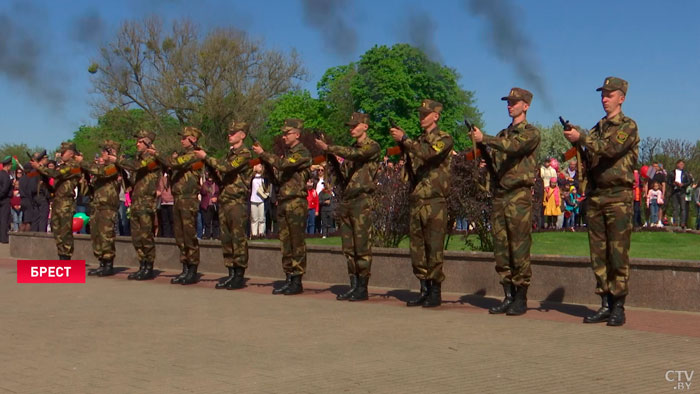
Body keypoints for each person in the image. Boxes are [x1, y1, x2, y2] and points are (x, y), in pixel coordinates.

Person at [564, 76, 639, 326]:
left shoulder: (628, 126)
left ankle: (618, 305)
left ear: (622, 98)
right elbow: (591, 155)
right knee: (598, 254)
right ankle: (604, 303)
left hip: (618, 196)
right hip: (597, 196)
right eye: (602, 94)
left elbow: (610, 150)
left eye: (610, 94)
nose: (604, 98)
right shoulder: (597, 129)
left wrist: (582, 137)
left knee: (617, 253)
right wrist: (577, 141)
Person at [472, 88, 540, 315]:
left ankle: (520, 297)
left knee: (519, 247)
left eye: (514, 102)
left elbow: (515, 147)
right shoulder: (502, 134)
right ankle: (508, 294)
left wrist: (486, 139)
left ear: (526, 105)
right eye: (508, 102)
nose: (509, 105)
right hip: (501, 195)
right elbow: (496, 158)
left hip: (518, 195)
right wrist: (482, 147)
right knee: (501, 248)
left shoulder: (531, 133)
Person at [390, 99, 453, 308]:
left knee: (433, 248)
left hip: (435, 200)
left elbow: (429, 153)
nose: (422, 117)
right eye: (420, 114)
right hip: (418, 199)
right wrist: (403, 145)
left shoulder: (444, 138)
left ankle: (435, 291)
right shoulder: (416, 141)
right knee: (417, 249)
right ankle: (424, 288)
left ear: (436, 116)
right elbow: (410, 168)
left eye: (426, 114)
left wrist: (405, 139)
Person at [315, 112, 381, 301]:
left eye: (355, 126)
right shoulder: (350, 149)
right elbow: (342, 174)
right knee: (348, 246)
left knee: (362, 246)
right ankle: (353, 284)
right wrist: (329, 155)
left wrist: (330, 147)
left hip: (362, 201)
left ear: (365, 127)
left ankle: (362, 287)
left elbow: (358, 155)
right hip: (348, 199)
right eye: (350, 126)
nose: (351, 129)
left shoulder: (372, 146)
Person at [254, 119, 311, 295]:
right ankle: (288, 277)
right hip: (284, 200)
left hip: (296, 202)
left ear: (297, 134)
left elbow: (283, 165)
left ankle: (297, 280)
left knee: (296, 242)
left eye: (287, 133)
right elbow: (278, 176)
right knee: (285, 242)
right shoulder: (287, 154)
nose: (284, 136)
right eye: (283, 133)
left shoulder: (301, 152)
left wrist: (264, 154)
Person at [195, 120, 253, 290]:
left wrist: (206, 157)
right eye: (229, 132)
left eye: (233, 133)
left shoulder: (245, 154)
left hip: (236, 201)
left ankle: (239, 275)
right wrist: (208, 163)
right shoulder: (229, 154)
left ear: (242, 135)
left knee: (238, 238)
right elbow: (220, 173)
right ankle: (231, 272)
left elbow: (227, 168)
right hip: (225, 200)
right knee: (226, 238)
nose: (230, 135)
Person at [157, 126, 205, 285]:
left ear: (193, 139)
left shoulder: (195, 155)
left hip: (188, 198)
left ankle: (192, 269)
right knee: (180, 235)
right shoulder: (184, 155)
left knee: (189, 234)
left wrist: (156, 154)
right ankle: (185, 267)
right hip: (178, 198)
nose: (182, 140)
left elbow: (175, 163)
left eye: (185, 138)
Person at [114, 130, 163, 280]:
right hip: (136, 202)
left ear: (148, 143)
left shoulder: (153, 158)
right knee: (136, 236)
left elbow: (137, 167)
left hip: (146, 202)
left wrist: (117, 159)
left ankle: (149, 266)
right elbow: (134, 179)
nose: (137, 144)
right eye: (138, 141)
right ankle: (142, 264)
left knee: (146, 235)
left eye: (141, 141)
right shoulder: (137, 158)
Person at [30, 143, 83, 258]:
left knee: (65, 231)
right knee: (57, 230)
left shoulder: (74, 167)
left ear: (71, 153)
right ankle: (61, 255)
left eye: (64, 152)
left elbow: (57, 174)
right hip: (57, 201)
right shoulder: (63, 166)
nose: (61, 154)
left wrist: (39, 167)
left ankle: (66, 256)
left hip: (66, 202)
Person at [81, 140, 121, 276]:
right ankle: (101, 262)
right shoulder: (101, 168)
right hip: (97, 206)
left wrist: (83, 162)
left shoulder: (113, 167)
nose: (102, 154)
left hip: (107, 207)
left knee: (106, 236)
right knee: (96, 236)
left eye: (105, 151)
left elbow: (102, 172)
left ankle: (108, 264)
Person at [667, 160, 691, 228]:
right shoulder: (672, 173)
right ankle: (675, 222)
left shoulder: (685, 173)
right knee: (675, 208)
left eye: (683, 164)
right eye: (680, 164)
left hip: (682, 191)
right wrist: (673, 184)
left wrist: (683, 184)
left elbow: (689, 181)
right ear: (677, 164)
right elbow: (668, 181)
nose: (682, 166)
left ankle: (683, 223)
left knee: (683, 208)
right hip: (675, 191)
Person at [249, 164, 268, 238]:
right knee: (254, 218)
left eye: (260, 166)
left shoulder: (263, 178)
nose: (259, 167)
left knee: (262, 218)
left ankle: (261, 233)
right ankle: (254, 234)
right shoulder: (252, 178)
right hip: (253, 199)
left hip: (261, 200)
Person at [200, 174, 219, 239]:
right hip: (207, 205)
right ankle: (207, 235)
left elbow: (220, 193)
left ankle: (216, 235)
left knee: (215, 222)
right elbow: (202, 192)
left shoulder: (217, 184)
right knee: (207, 222)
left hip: (215, 205)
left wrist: (217, 198)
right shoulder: (205, 184)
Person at [156, 173, 174, 237]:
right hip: (164, 202)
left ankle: (171, 236)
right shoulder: (162, 179)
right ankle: (168, 236)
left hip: (170, 202)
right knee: (166, 221)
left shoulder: (173, 179)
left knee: (170, 221)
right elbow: (159, 190)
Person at [0, 157, 12, 243]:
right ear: (8, 166)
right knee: (4, 219)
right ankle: (3, 238)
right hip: (4, 200)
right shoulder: (6, 176)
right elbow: (5, 189)